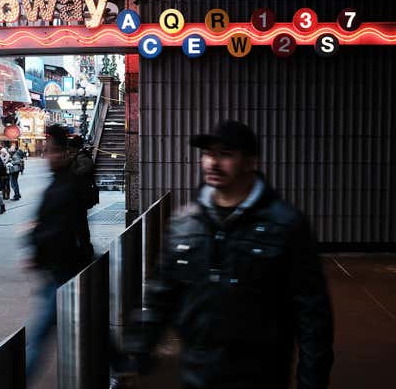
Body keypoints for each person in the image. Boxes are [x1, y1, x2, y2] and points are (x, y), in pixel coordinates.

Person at [118, 120, 334, 389]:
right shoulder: (186, 223)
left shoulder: (285, 225)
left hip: (260, 375)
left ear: (250, 162)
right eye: (208, 154)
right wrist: (138, 350)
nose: (213, 163)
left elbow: (313, 318)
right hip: (198, 374)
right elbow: (162, 293)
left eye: (226, 154)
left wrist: (311, 382)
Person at [24, 124, 94, 380]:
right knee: (87, 319)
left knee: (41, 332)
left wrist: (34, 243)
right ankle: (121, 363)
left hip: (62, 269)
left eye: (51, 152)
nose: (46, 158)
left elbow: (56, 229)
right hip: (63, 266)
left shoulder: (66, 186)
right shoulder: (63, 182)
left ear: (63, 153)